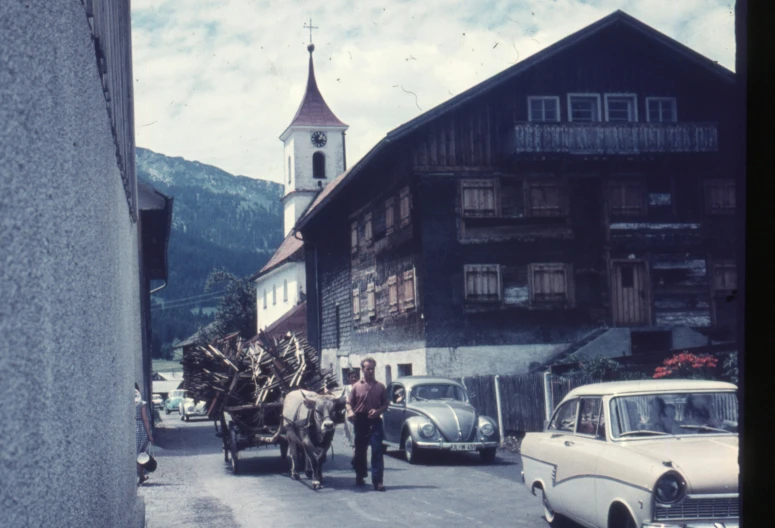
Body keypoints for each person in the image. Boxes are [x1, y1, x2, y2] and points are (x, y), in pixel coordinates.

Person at [346, 357, 388, 491]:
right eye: (368, 369)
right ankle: (360, 475)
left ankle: (378, 481)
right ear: (362, 370)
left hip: (375, 420)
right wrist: (350, 412)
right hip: (360, 420)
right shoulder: (356, 387)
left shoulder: (380, 387)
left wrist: (378, 411)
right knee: (360, 451)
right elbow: (348, 403)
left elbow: (386, 404)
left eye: (372, 369)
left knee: (377, 450)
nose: (371, 371)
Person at [135, 383, 154, 486]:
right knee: (140, 454)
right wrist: (149, 435)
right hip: (140, 428)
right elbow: (145, 418)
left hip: (130, 428)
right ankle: (140, 476)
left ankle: (138, 477)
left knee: (133, 454)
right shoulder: (141, 403)